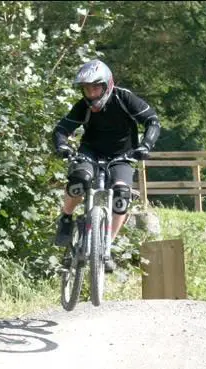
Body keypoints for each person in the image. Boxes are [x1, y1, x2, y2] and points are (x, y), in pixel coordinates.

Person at [52, 59, 160, 272]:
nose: (91, 94)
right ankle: (65, 218)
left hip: (124, 155)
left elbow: (152, 121)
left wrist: (146, 145)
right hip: (90, 152)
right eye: (86, 89)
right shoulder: (83, 106)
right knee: (78, 182)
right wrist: (62, 146)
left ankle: (106, 248)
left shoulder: (124, 98)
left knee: (121, 195)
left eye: (95, 87)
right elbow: (60, 129)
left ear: (107, 85)